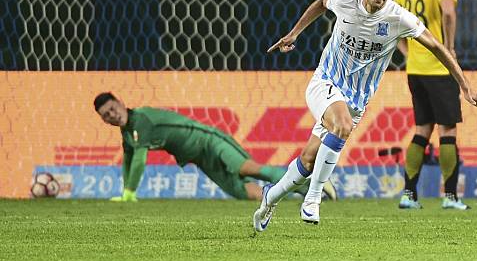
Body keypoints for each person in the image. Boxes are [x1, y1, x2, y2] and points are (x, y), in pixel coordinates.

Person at [253, 0, 477, 232]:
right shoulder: (344, 0)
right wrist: (294, 33)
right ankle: (314, 197)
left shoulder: (397, 17)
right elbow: (321, 3)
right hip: (325, 82)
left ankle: (270, 196)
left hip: (356, 101)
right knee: (340, 125)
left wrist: (465, 84)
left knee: (308, 159)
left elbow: (437, 46)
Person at [94, 92, 336, 202]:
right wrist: (125, 190)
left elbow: (138, 160)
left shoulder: (141, 121)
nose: (112, 115)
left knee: (246, 169)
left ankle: (313, 181)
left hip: (209, 140)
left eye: (113, 109)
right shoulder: (128, 134)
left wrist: (129, 193)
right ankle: (304, 190)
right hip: (200, 158)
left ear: (122, 103)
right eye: (106, 115)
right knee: (243, 193)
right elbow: (128, 159)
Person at [395, 0, 469, 210]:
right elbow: (448, 12)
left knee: (422, 129)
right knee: (447, 130)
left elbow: (395, 27)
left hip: (415, 70)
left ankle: (409, 194)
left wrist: (407, 52)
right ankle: (450, 196)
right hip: (439, 70)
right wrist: (448, 49)